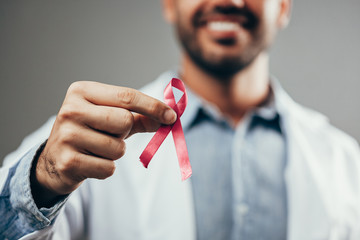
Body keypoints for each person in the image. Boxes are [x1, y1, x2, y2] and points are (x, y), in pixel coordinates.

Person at [1, 0, 360, 239]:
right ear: (170, 4)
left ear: (283, 7)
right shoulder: (81, 141)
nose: (229, 1)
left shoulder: (344, 164)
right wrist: (43, 180)